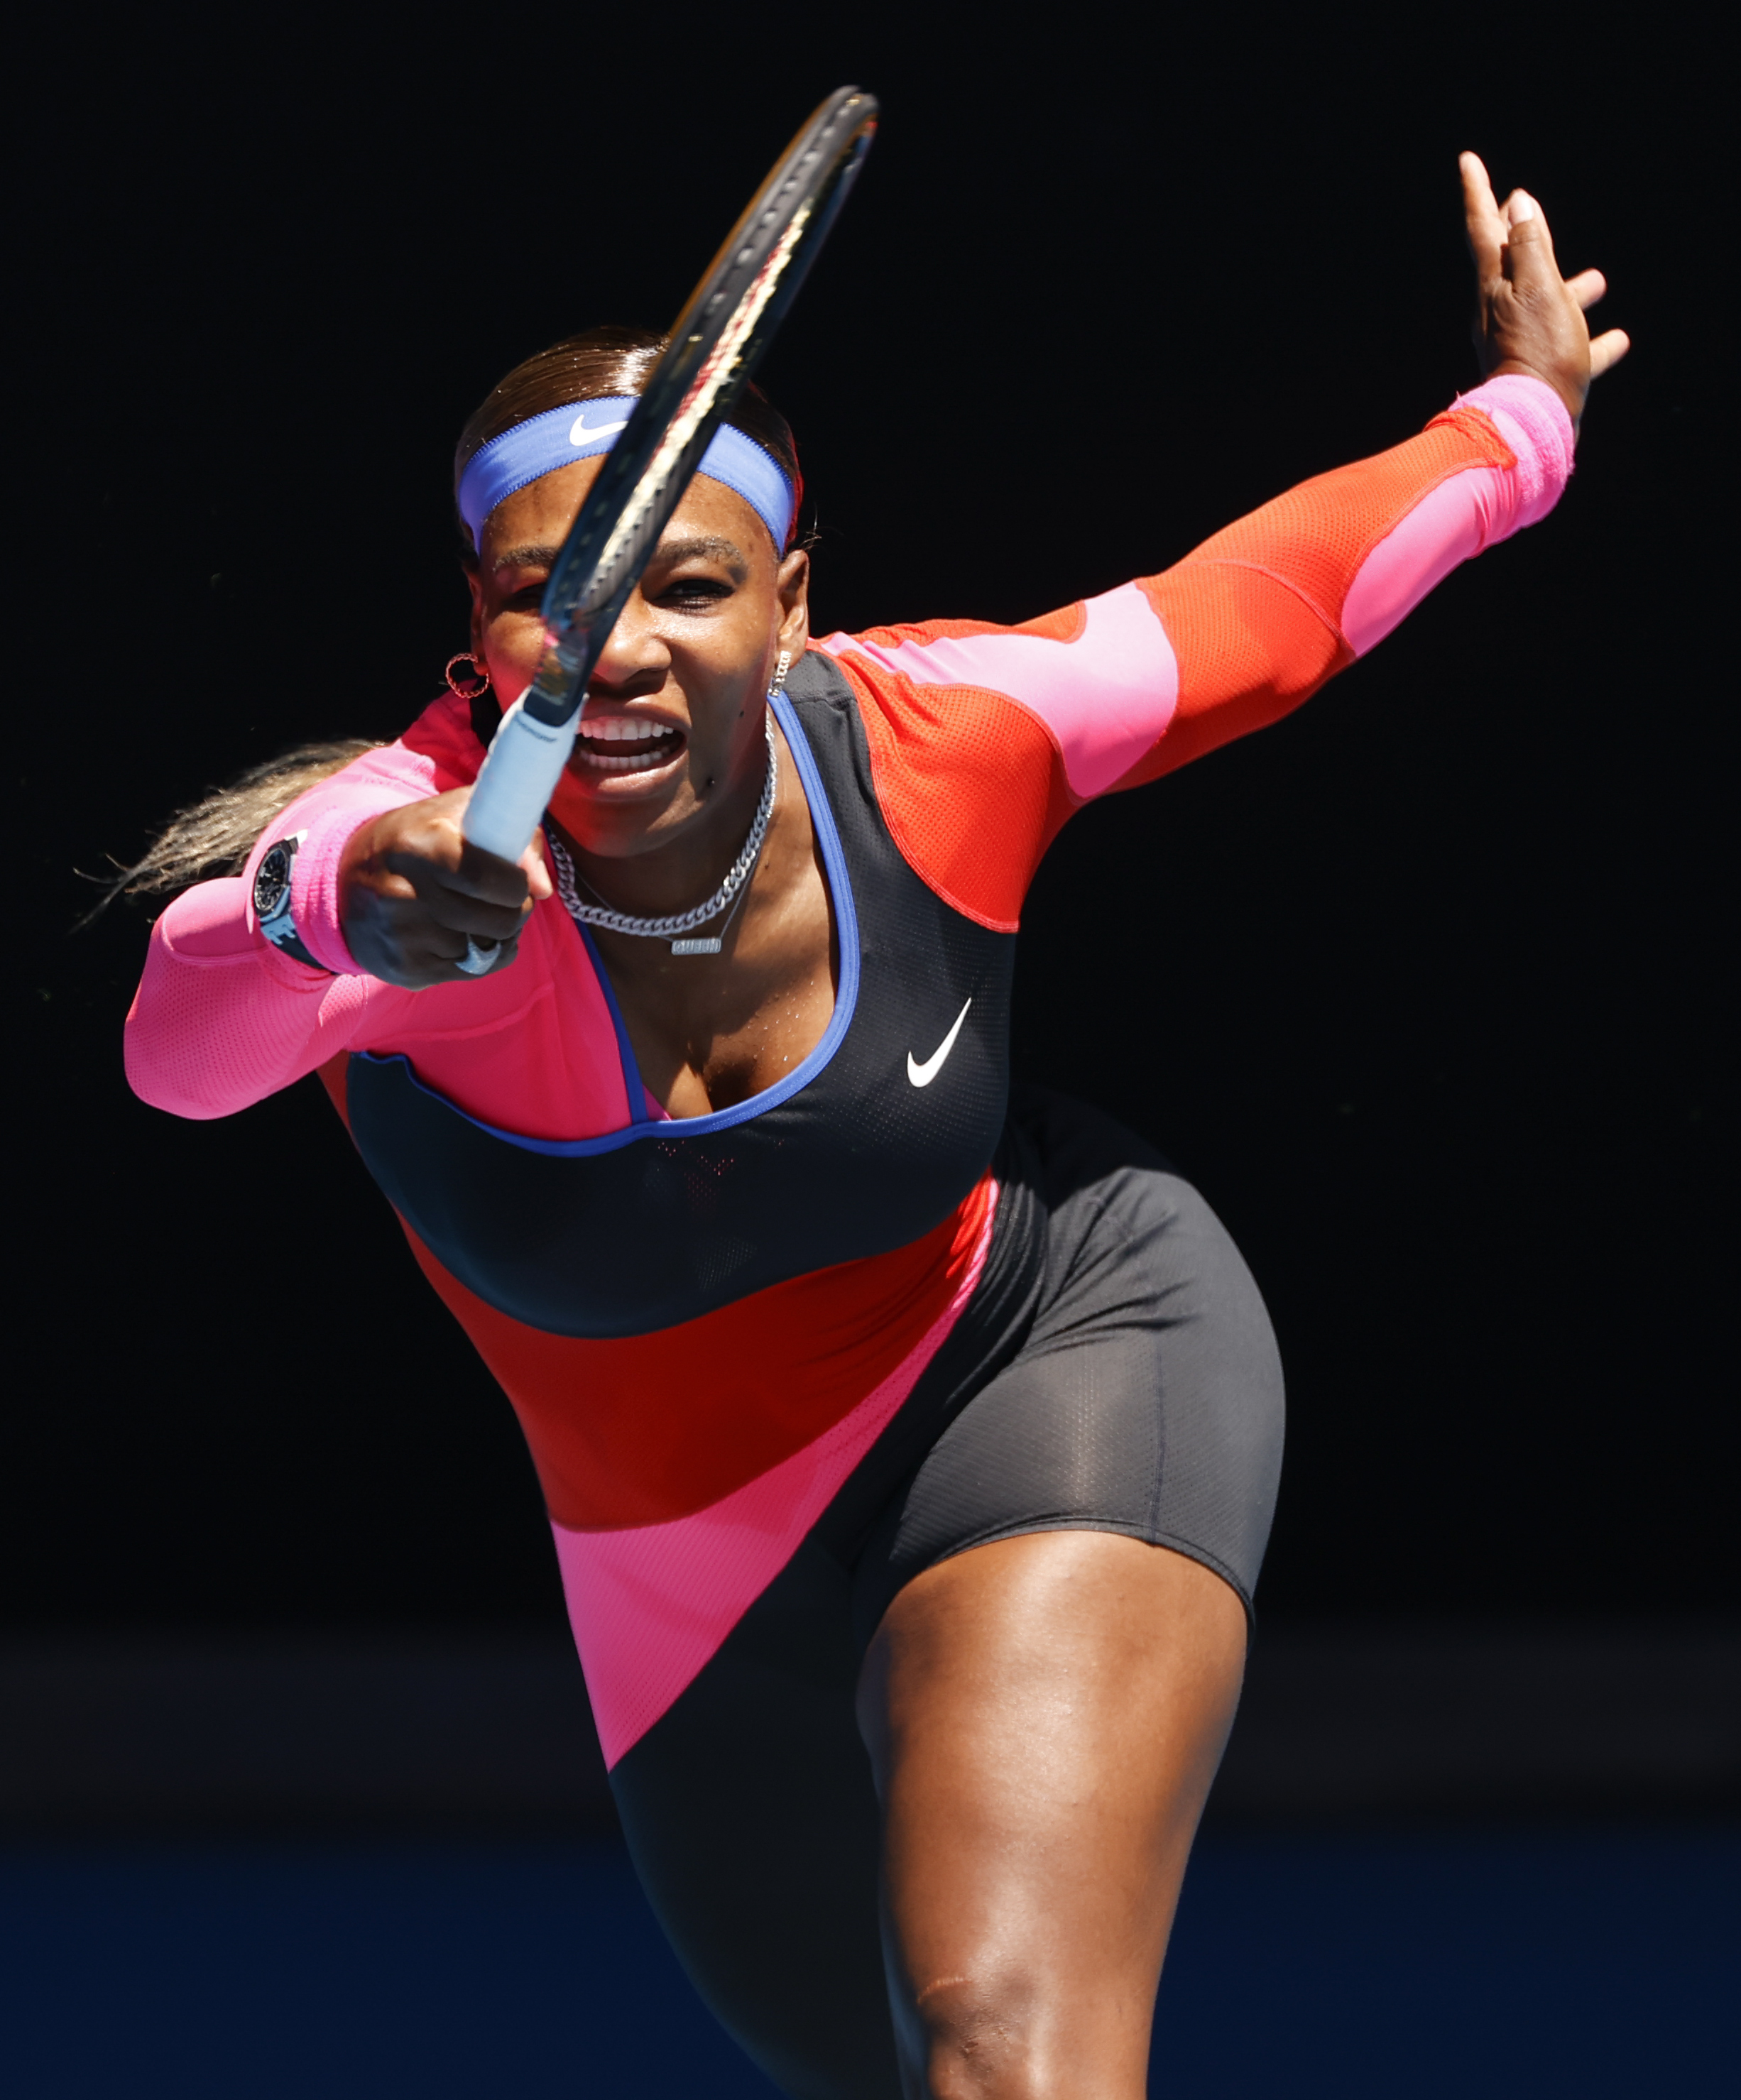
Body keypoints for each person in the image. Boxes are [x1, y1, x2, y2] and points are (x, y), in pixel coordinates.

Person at [121, 155, 1625, 2099]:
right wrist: (321, 908)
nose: (622, 656)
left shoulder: (947, 738)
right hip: (678, 1582)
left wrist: (1519, 423)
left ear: (792, 599)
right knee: (871, 2068)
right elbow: (179, 1048)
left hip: (1039, 1350)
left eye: (691, 587)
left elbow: (1261, 611)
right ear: (479, 629)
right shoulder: (397, 860)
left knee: (1007, 2053)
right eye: (550, 603)